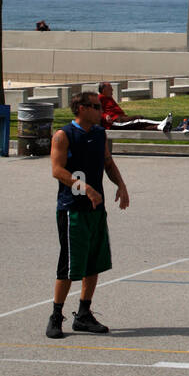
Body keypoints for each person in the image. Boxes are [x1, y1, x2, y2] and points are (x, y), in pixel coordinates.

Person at [47, 90, 129, 338]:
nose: (100, 110)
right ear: (81, 108)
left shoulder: (99, 134)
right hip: (72, 210)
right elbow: (57, 171)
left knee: (94, 262)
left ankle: (83, 314)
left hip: (96, 209)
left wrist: (121, 186)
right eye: (95, 106)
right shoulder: (63, 135)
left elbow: (108, 163)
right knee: (70, 265)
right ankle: (56, 316)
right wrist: (85, 188)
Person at [96, 82, 171, 134]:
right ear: (104, 90)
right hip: (115, 123)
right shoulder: (99, 98)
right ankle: (161, 122)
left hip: (121, 119)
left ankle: (159, 127)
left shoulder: (108, 97)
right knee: (138, 120)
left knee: (139, 126)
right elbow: (96, 111)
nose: (112, 90)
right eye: (110, 88)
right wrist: (105, 116)